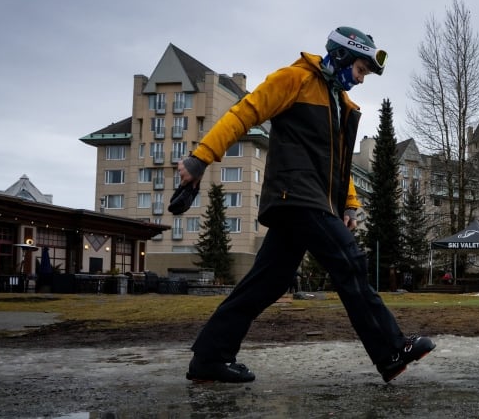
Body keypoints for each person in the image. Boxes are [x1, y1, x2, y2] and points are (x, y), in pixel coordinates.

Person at [175, 26, 435, 384]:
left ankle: (209, 358)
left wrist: (350, 204)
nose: (360, 81)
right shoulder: (293, 80)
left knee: (266, 283)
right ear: (342, 57)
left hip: (311, 201)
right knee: (349, 263)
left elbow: (338, 161)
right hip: (295, 196)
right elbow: (242, 114)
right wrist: (201, 158)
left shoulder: (340, 104)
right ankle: (391, 350)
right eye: (360, 70)